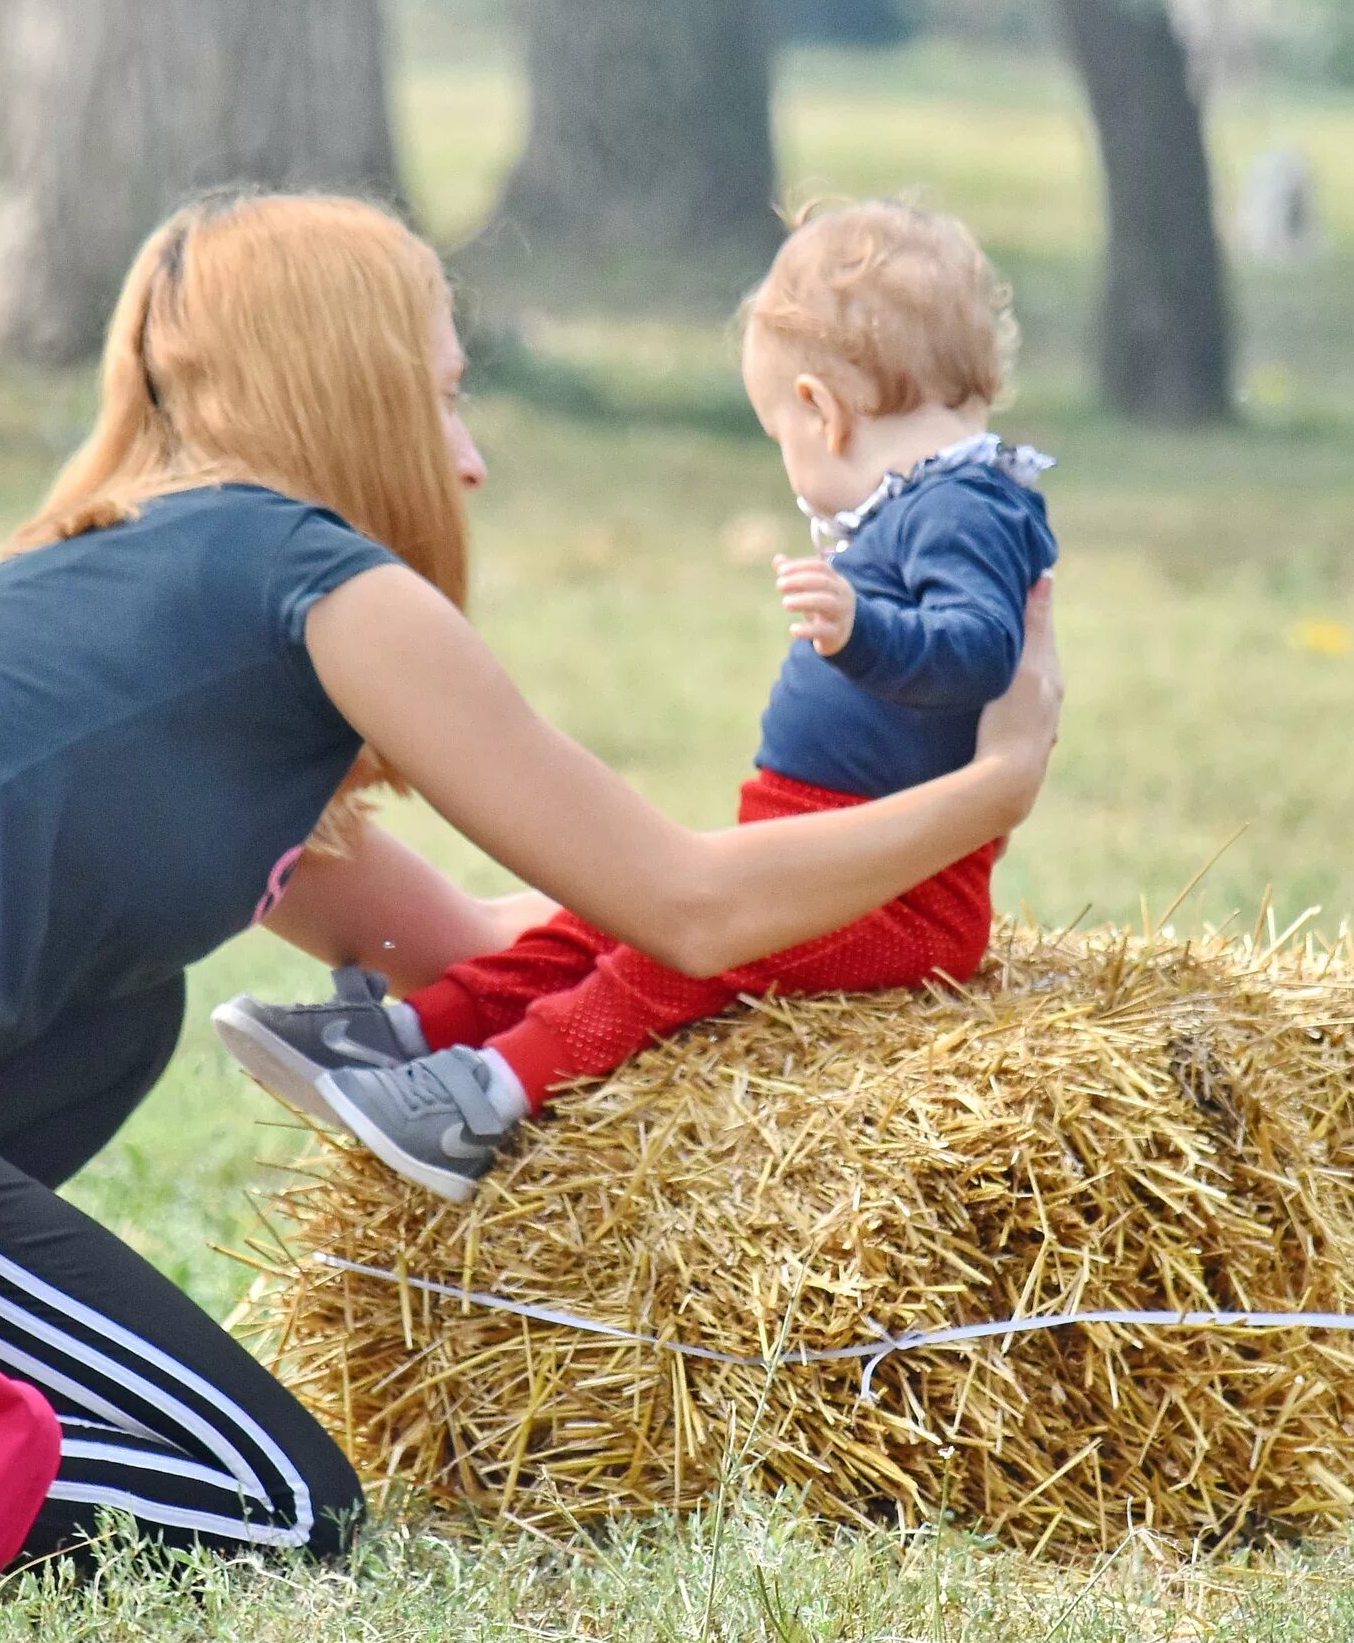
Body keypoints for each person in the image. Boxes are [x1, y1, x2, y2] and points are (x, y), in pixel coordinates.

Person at [0, 192, 1063, 1610]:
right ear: (361, 395)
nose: (467, 460)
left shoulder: (101, 577)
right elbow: (684, 904)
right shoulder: (325, 584)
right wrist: (985, 792)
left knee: (114, 1015)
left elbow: (478, 954)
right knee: (265, 1499)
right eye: (445, 396)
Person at [215, 201, 1058, 1201]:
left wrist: (860, 631)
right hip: (826, 840)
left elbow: (976, 652)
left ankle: (485, 1091)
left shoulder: (968, 506)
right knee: (614, 914)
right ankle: (411, 1030)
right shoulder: (937, 502)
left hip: (901, 889)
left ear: (820, 409)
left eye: (779, 433)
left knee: (669, 957)